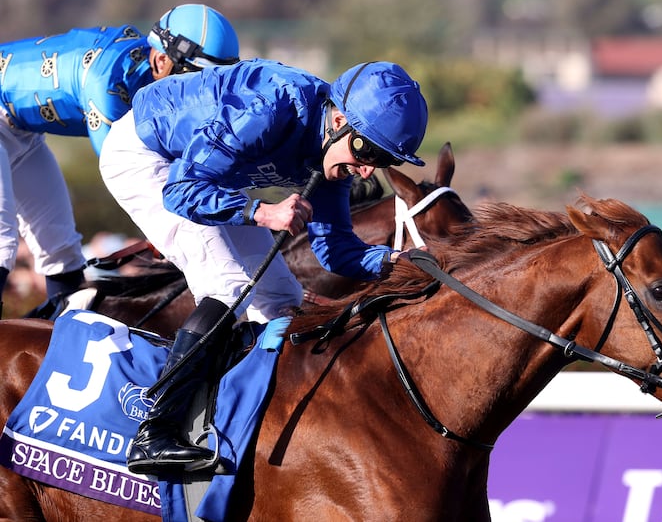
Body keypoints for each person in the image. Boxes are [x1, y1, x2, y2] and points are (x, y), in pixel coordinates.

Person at [98, 60, 428, 475]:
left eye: (381, 160)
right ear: (340, 119)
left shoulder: (336, 150)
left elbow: (336, 250)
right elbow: (182, 190)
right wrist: (260, 212)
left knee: (283, 300)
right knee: (229, 284)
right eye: (367, 151)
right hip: (150, 158)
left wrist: (398, 263)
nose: (366, 170)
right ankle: (156, 430)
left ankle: (248, 416)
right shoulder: (271, 104)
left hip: (203, 173)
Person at [0, 4, 239, 318]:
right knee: (4, 247)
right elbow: (128, 172)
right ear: (161, 60)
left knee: (62, 254)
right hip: (10, 121)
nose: (202, 93)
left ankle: (57, 347)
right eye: (197, 79)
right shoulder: (109, 81)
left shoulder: (156, 68)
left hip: (21, 130)